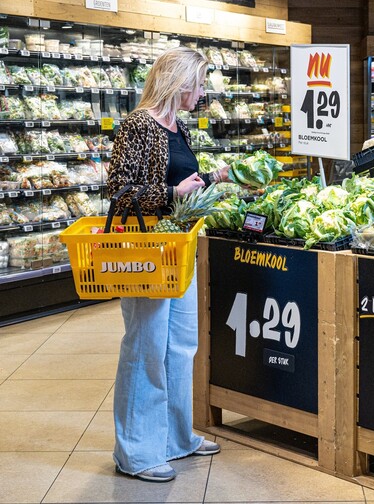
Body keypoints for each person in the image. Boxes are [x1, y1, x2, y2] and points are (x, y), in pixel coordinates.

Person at [107, 47, 226, 482]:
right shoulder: (139, 126)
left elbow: (180, 182)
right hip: (145, 253)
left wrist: (211, 181)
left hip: (178, 250)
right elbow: (119, 192)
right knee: (146, 348)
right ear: (179, 82)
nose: (203, 91)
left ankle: (176, 438)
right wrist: (172, 194)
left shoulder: (179, 127)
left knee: (180, 345)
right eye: (199, 82)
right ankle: (136, 453)